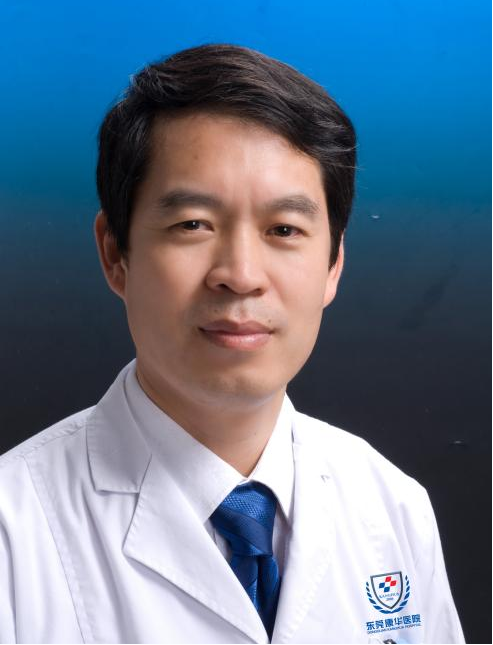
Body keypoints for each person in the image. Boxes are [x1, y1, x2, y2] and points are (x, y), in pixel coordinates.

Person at [0, 43, 464, 645]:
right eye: (193, 224)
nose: (241, 275)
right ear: (115, 253)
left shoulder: (392, 508)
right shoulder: (14, 530)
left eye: (284, 229)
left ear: (334, 264)